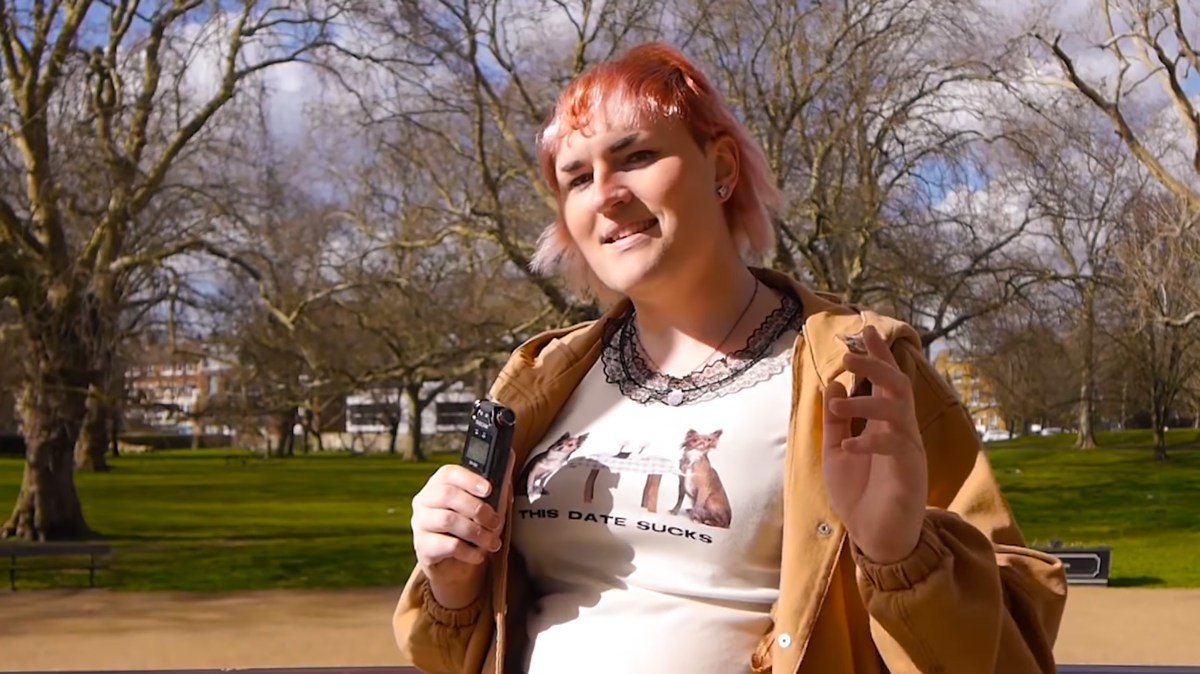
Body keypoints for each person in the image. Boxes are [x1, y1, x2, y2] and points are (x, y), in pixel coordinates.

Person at [393, 42, 1067, 674]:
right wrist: (453, 583)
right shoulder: (541, 380)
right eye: (576, 177)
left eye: (634, 157)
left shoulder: (860, 368)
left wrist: (899, 554)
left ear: (720, 168)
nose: (606, 193)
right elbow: (451, 654)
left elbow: (1012, 646)